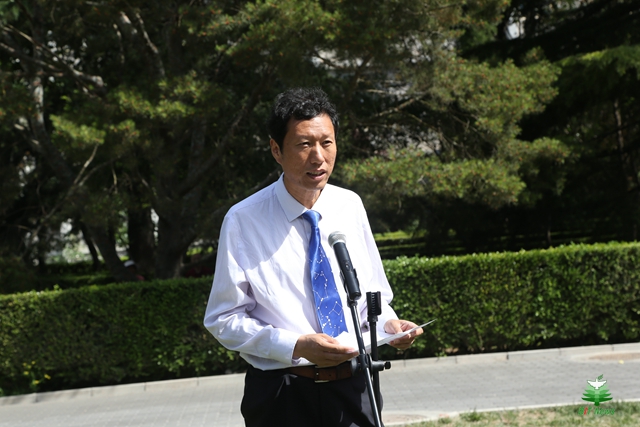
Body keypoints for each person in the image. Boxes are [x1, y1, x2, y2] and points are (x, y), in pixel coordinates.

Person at [203, 87, 423, 427]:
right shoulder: (243, 220)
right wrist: (296, 345)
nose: (318, 157)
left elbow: (372, 296)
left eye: (327, 142)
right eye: (304, 144)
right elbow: (224, 318)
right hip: (283, 394)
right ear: (276, 149)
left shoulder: (350, 206)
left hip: (355, 387)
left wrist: (389, 326)